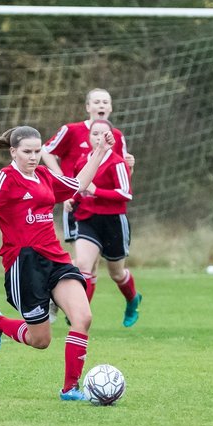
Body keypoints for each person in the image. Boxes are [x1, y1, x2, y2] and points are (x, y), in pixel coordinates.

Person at [0, 123, 112, 401]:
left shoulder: (45, 176)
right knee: (41, 340)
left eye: (37, 151)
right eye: (27, 152)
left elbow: (79, 185)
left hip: (56, 259)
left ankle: (70, 389)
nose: (33, 157)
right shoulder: (6, 178)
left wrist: (99, 151)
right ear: (13, 152)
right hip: (25, 265)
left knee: (83, 317)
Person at [71, 119, 142, 327]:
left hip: (113, 223)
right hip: (87, 220)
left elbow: (125, 194)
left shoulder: (117, 162)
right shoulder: (81, 161)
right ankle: (80, 313)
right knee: (84, 265)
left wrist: (96, 191)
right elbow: (78, 186)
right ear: (88, 137)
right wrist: (71, 199)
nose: (99, 137)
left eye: (104, 134)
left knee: (116, 273)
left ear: (111, 139)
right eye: (94, 134)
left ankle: (132, 300)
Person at [41, 88, 133, 243]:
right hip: (77, 199)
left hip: (105, 205)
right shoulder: (71, 130)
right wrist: (62, 178)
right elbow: (45, 150)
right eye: (96, 102)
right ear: (88, 107)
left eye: (105, 102)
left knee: (103, 258)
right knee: (84, 254)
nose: (101, 106)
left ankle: (118, 268)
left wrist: (131, 166)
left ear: (110, 107)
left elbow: (124, 177)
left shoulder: (116, 135)